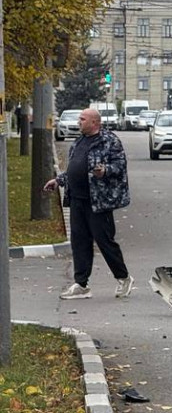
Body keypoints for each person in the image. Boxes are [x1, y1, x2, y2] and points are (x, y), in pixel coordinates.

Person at [42, 108, 132, 300]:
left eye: (82, 119)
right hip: (77, 200)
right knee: (79, 242)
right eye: (79, 119)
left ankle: (123, 277)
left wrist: (105, 170)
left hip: (98, 201)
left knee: (105, 241)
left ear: (95, 123)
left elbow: (120, 166)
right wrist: (58, 180)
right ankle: (81, 284)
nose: (78, 122)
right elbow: (74, 168)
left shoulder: (109, 141)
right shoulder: (79, 141)